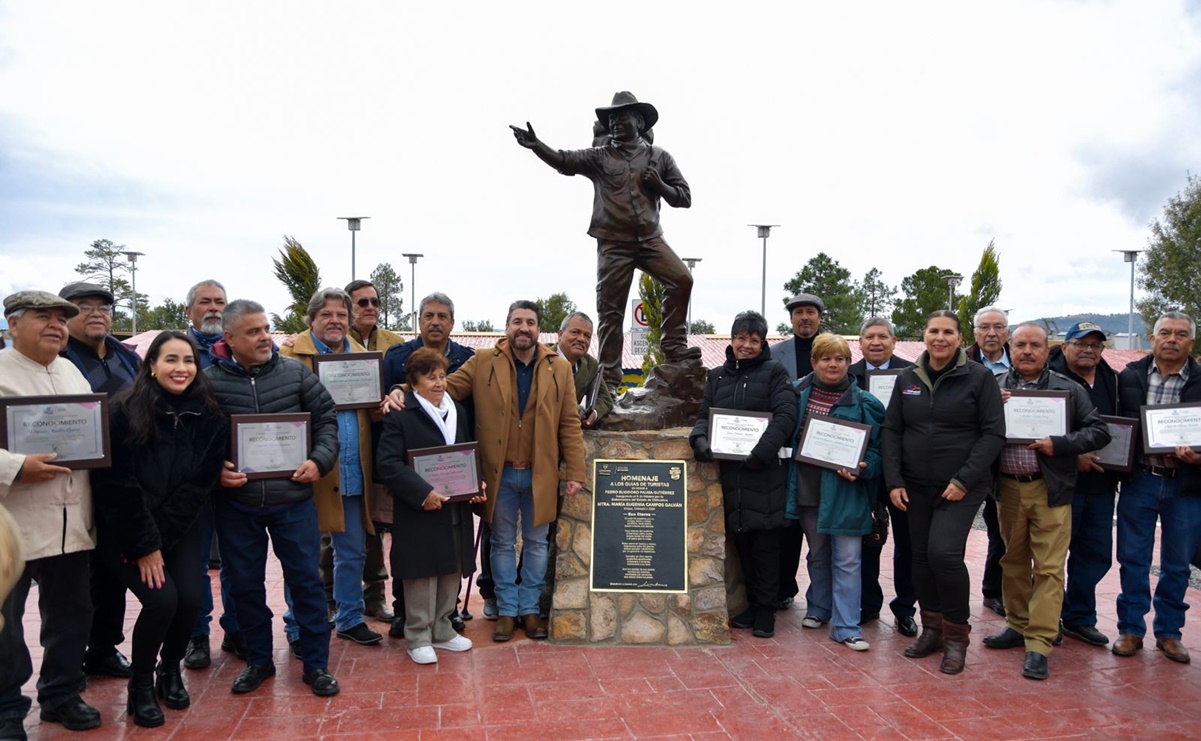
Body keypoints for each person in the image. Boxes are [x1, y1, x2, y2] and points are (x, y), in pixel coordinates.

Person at [510, 91, 701, 391]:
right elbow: (565, 161)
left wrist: (659, 185)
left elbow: (685, 197)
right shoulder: (600, 157)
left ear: (638, 121)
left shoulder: (659, 156)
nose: (614, 123)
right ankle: (610, 382)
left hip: (650, 240)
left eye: (620, 117)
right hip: (614, 244)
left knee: (682, 279)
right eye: (610, 119)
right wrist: (536, 146)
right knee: (610, 313)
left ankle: (674, 347)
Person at [90, 331, 227, 725]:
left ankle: (170, 670)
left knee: (188, 598)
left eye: (188, 360)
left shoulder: (211, 415)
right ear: (151, 365)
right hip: (125, 529)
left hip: (180, 526)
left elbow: (198, 486)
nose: (180, 368)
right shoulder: (123, 411)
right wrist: (146, 544)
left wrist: (162, 539)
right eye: (170, 359)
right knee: (161, 599)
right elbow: (116, 484)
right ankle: (140, 685)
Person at [206, 299, 341, 697]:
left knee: (306, 583)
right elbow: (196, 440)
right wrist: (216, 470)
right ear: (229, 338)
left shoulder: (297, 374)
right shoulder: (210, 383)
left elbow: (327, 421)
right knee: (245, 586)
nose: (265, 337)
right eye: (253, 331)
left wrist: (319, 461)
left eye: (266, 328)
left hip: (294, 501)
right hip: (238, 505)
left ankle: (316, 665)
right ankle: (259, 661)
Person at [441, 301, 586, 641]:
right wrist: (402, 392)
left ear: (540, 329)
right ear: (507, 327)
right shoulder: (482, 362)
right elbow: (444, 388)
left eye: (531, 322)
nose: (524, 328)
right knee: (503, 543)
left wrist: (576, 471)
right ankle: (507, 610)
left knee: (536, 545)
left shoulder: (558, 368)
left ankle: (530, 610)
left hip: (541, 473)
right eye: (517, 321)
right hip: (499, 474)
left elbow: (569, 423)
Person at [981, 324, 1109, 680]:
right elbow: (971, 429)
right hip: (1007, 488)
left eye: (1035, 345)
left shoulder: (1067, 388)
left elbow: (1098, 430)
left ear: (1047, 349)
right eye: (1020, 344)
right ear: (1010, 347)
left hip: (1049, 489)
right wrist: (992, 410)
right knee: (1013, 560)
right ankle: (1018, 625)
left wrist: (1060, 443)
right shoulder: (993, 386)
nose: (1026, 351)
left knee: (1050, 568)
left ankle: (1039, 643)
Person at [0, 291, 102, 738]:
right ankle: (5, 707)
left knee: (71, 613)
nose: (56, 325)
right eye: (43, 316)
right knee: (5, 621)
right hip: (12, 523)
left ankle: (61, 693)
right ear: (12, 324)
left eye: (62, 319)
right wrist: (17, 466)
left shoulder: (70, 370)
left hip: (69, 518)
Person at [882, 310, 1005, 675]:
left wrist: (964, 479)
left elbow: (992, 434)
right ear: (924, 335)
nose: (940, 338)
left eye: (948, 332)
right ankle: (931, 628)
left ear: (958, 336)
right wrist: (894, 480)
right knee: (919, 557)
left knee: (944, 554)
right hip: (914, 485)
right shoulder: (907, 378)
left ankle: (956, 636)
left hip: (961, 486)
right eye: (934, 331)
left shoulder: (979, 378)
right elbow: (892, 431)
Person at [279, 288, 383, 648]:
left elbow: (373, 405)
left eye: (342, 314)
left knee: (352, 551)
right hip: (308, 474)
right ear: (312, 319)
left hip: (352, 471)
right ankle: (298, 626)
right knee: (302, 557)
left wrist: (381, 405)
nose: (335, 320)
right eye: (327, 314)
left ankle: (350, 617)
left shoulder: (365, 358)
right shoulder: (291, 356)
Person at [376, 348, 486, 664]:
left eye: (441, 376)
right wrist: (423, 492)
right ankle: (418, 634)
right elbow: (388, 464)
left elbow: (467, 456)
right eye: (429, 377)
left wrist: (477, 482)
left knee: (451, 565)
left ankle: (442, 628)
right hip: (419, 508)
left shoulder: (459, 412)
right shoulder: (400, 414)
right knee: (422, 570)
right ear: (412, 382)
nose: (438, 383)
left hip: (455, 507)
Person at [691, 311, 797, 638]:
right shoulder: (718, 376)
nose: (746, 345)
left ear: (762, 342)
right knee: (745, 544)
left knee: (765, 544)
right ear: (732, 339)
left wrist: (759, 453)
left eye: (753, 340)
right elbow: (703, 415)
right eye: (741, 338)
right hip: (732, 476)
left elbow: (786, 416)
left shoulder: (775, 372)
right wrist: (699, 440)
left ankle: (766, 611)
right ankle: (752, 605)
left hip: (763, 473)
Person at [56, 282, 142, 681]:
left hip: (122, 481)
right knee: (75, 581)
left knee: (112, 573)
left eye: (103, 307)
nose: (96, 313)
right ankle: (69, 663)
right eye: (83, 306)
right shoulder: (57, 359)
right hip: (69, 482)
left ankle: (104, 649)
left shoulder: (128, 356)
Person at [382, 292, 475, 627]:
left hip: (454, 485)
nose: (435, 322)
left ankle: (444, 621)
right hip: (410, 477)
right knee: (415, 552)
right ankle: (410, 618)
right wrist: (412, 486)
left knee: (451, 549)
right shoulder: (395, 357)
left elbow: (470, 428)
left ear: (452, 322)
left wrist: (473, 477)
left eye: (442, 316)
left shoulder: (467, 360)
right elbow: (384, 408)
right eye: (428, 315)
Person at [786, 334, 885, 650]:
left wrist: (863, 466)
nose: (833, 364)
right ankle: (818, 608)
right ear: (814, 362)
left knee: (849, 559)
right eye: (826, 358)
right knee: (818, 554)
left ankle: (846, 626)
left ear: (848, 362)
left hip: (846, 492)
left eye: (840, 358)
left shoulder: (865, 403)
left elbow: (880, 451)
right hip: (808, 487)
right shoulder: (797, 394)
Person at [1113, 311, 1201, 664]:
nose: (1171, 339)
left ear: (1191, 342)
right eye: (1164, 332)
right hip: (1140, 481)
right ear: (1151, 339)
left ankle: (1169, 633)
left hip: (1187, 486)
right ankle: (1131, 629)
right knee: (1132, 559)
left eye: (1181, 334)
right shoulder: (1129, 376)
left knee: (1178, 563)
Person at [180, 279, 244, 670]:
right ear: (189, 311)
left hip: (238, 474)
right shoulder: (177, 353)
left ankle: (236, 629)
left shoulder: (239, 352)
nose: (214, 308)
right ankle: (196, 635)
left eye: (220, 302)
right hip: (191, 479)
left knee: (238, 559)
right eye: (205, 302)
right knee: (195, 562)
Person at [1047, 322, 1122, 647]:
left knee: (1095, 554)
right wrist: (1071, 454)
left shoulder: (1114, 380)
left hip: (1103, 485)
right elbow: (1040, 431)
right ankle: (1050, 617)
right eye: (1081, 344)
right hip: (1064, 483)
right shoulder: (1051, 380)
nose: (1088, 350)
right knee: (1052, 556)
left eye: (1095, 344)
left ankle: (1080, 617)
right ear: (1065, 347)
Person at [337, 279, 404, 625]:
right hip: (345, 445)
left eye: (375, 301)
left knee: (376, 524)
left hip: (380, 445)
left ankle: (375, 597)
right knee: (334, 530)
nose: (370, 307)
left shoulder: (394, 343)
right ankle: (331, 599)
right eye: (361, 302)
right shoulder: (333, 343)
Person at [848, 317, 918, 638]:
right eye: (869, 337)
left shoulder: (913, 374)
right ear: (859, 343)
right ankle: (867, 603)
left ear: (894, 340)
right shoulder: (849, 376)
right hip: (864, 470)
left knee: (907, 544)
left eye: (882, 337)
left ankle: (905, 609)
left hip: (906, 471)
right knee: (867, 540)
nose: (876, 342)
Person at [769, 293, 825, 610]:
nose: (805, 317)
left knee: (819, 529)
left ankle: (822, 596)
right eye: (799, 312)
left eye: (811, 312)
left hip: (823, 452)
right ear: (791, 319)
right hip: (786, 450)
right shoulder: (775, 354)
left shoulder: (831, 352)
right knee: (787, 526)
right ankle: (784, 588)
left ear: (819, 317)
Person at [965, 305, 1012, 617]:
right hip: (969, 458)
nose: (991, 333)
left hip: (1009, 460)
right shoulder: (961, 363)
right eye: (984, 327)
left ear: (1007, 332)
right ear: (975, 332)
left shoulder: (1024, 361)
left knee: (1001, 531)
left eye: (998, 327)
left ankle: (996, 591)